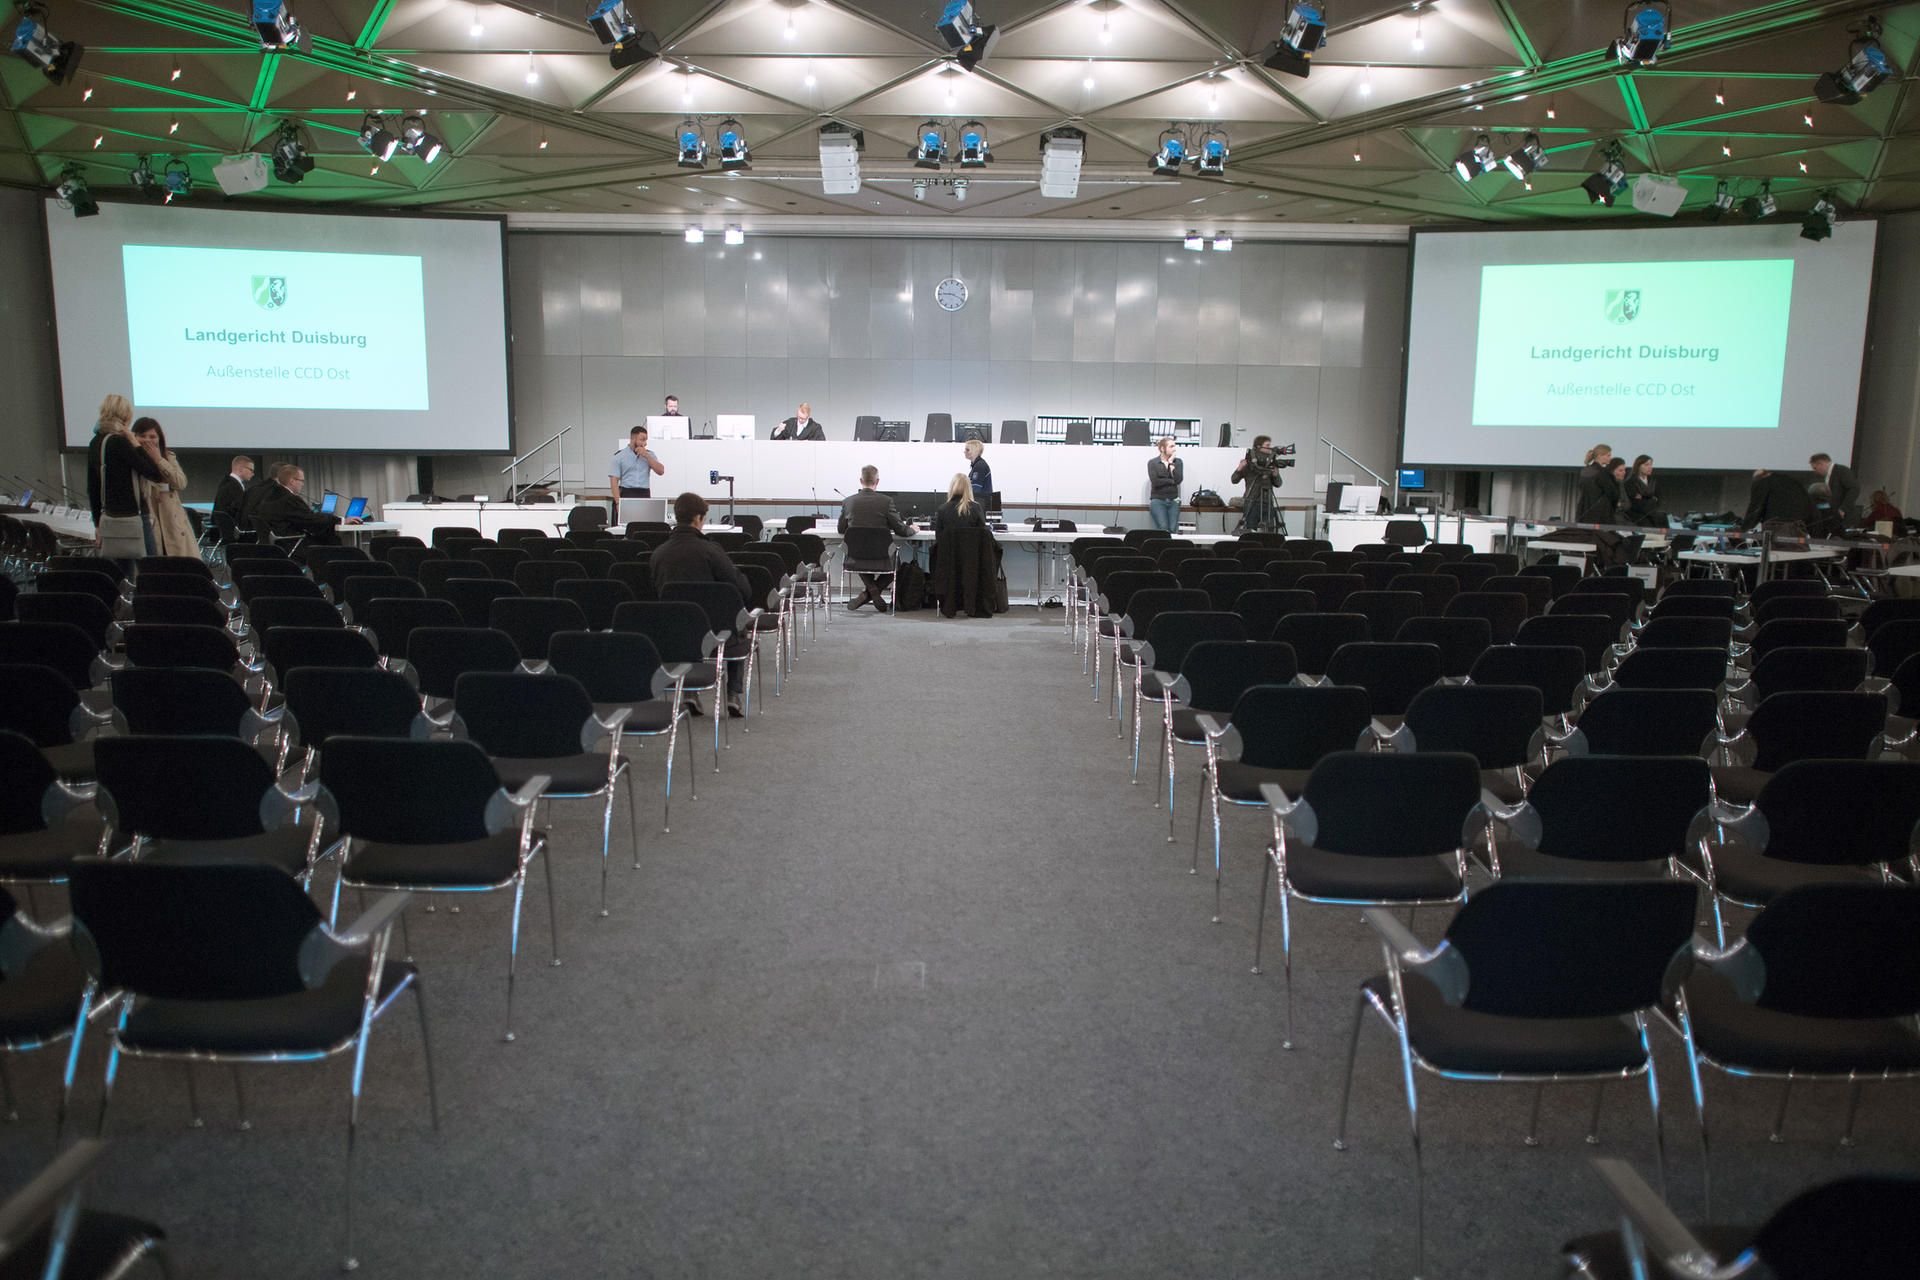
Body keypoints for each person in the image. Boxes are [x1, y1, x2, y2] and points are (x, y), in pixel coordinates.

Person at [649, 491, 750, 717]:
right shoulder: (711, 551)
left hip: (673, 631)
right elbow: (739, 587)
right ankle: (733, 694)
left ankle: (689, 692)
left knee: (685, 626)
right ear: (698, 518)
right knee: (738, 624)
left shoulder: (658, 554)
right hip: (715, 631)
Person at [84, 393, 163, 563]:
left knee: (121, 571)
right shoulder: (121, 443)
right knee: (150, 567)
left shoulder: (95, 442)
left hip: (109, 516)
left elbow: (93, 486)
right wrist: (136, 444)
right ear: (126, 416)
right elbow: (153, 473)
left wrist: (97, 523)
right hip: (133, 516)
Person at [839, 464, 914, 612]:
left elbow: (841, 529)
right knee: (896, 563)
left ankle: (868, 593)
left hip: (856, 556)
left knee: (858, 550)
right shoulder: (886, 502)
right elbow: (901, 530)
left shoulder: (848, 502)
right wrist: (912, 529)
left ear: (861, 480)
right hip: (882, 556)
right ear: (877, 481)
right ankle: (873, 592)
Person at [131, 417, 195, 557]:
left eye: (152, 436)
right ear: (134, 437)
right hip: (149, 522)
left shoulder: (168, 457)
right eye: (142, 436)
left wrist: (159, 460)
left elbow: (180, 482)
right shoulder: (132, 460)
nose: (148, 440)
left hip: (174, 525)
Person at [254, 463, 355, 545]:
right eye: (301, 481)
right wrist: (340, 520)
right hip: (292, 543)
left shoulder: (270, 495)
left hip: (276, 544)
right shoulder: (289, 499)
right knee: (333, 540)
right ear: (292, 481)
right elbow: (310, 520)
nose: (303, 484)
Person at [1230, 435, 1282, 535]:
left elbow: (1278, 484)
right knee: (1250, 532)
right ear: (1259, 446)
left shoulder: (1271, 464)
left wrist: (1276, 475)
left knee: (1269, 533)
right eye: (1267, 445)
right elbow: (1234, 479)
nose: (1270, 447)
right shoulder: (1249, 464)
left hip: (1268, 502)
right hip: (1252, 502)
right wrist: (1239, 468)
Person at [608, 425, 665, 509]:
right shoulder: (619, 456)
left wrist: (647, 456)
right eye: (642, 440)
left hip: (644, 493)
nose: (644, 443)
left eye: (646, 440)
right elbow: (614, 481)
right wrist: (618, 502)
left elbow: (661, 471)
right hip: (627, 492)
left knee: (644, 521)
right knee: (627, 521)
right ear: (633, 439)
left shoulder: (650, 454)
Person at [1743, 468, 1814, 530]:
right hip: (1799, 523)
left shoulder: (1763, 482)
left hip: (1777, 524)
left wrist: (1745, 528)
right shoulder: (1791, 481)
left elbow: (1756, 507)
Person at [1809, 453, 1860, 524]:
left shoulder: (1842, 470)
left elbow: (1854, 489)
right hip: (1834, 515)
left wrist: (1843, 508)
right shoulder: (1827, 476)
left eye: (1815, 468)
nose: (1815, 471)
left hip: (1845, 516)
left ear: (1821, 464)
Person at [1574, 444, 1618, 524]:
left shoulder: (1585, 470)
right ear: (1600, 456)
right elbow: (1612, 493)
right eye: (1608, 455)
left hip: (1584, 512)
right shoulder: (1603, 473)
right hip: (1601, 515)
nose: (1610, 458)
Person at [1147, 437, 1183, 533]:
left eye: (1174, 446)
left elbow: (1178, 480)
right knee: (1163, 528)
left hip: (1173, 500)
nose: (1174, 449)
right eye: (1171, 446)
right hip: (1158, 500)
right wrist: (1171, 481)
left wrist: (1171, 464)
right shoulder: (1153, 463)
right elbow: (1155, 482)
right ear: (1162, 449)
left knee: (1172, 528)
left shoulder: (1178, 462)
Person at [212, 455, 253, 530]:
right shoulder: (234, 487)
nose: (253, 474)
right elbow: (239, 512)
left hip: (220, 530)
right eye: (251, 470)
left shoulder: (226, 482)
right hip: (231, 531)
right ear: (241, 469)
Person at [1621, 454, 1661, 527]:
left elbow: (1658, 499)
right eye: (1646, 465)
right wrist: (1651, 499)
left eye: (1651, 465)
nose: (1650, 467)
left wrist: (1643, 497)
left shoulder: (1653, 481)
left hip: (1653, 513)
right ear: (1638, 466)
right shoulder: (1630, 482)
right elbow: (1635, 502)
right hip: (1638, 516)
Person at [963, 438, 992, 507]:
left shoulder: (979, 466)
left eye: (967, 450)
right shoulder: (977, 465)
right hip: (981, 503)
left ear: (975, 451)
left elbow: (975, 490)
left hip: (981, 505)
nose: (964, 452)